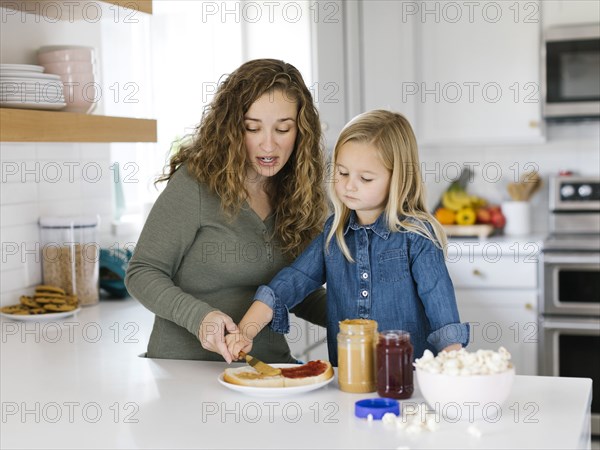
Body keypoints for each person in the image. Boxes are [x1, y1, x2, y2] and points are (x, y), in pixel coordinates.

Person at [226, 109, 470, 365]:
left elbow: (441, 308)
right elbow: (292, 281)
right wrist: (246, 330)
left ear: (397, 178)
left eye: (365, 178)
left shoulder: (417, 237)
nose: (349, 185)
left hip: (408, 380)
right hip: (348, 378)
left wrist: (452, 365)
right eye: (342, 173)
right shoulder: (335, 233)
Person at [125, 59, 329, 363]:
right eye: (253, 128)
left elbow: (296, 288)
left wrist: (359, 314)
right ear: (233, 128)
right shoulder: (195, 184)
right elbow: (141, 273)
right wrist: (200, 318)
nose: (269, 145)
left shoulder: (301, 193)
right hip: (185, 368)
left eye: (283, 129)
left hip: (266, 366)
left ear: (301, 131)